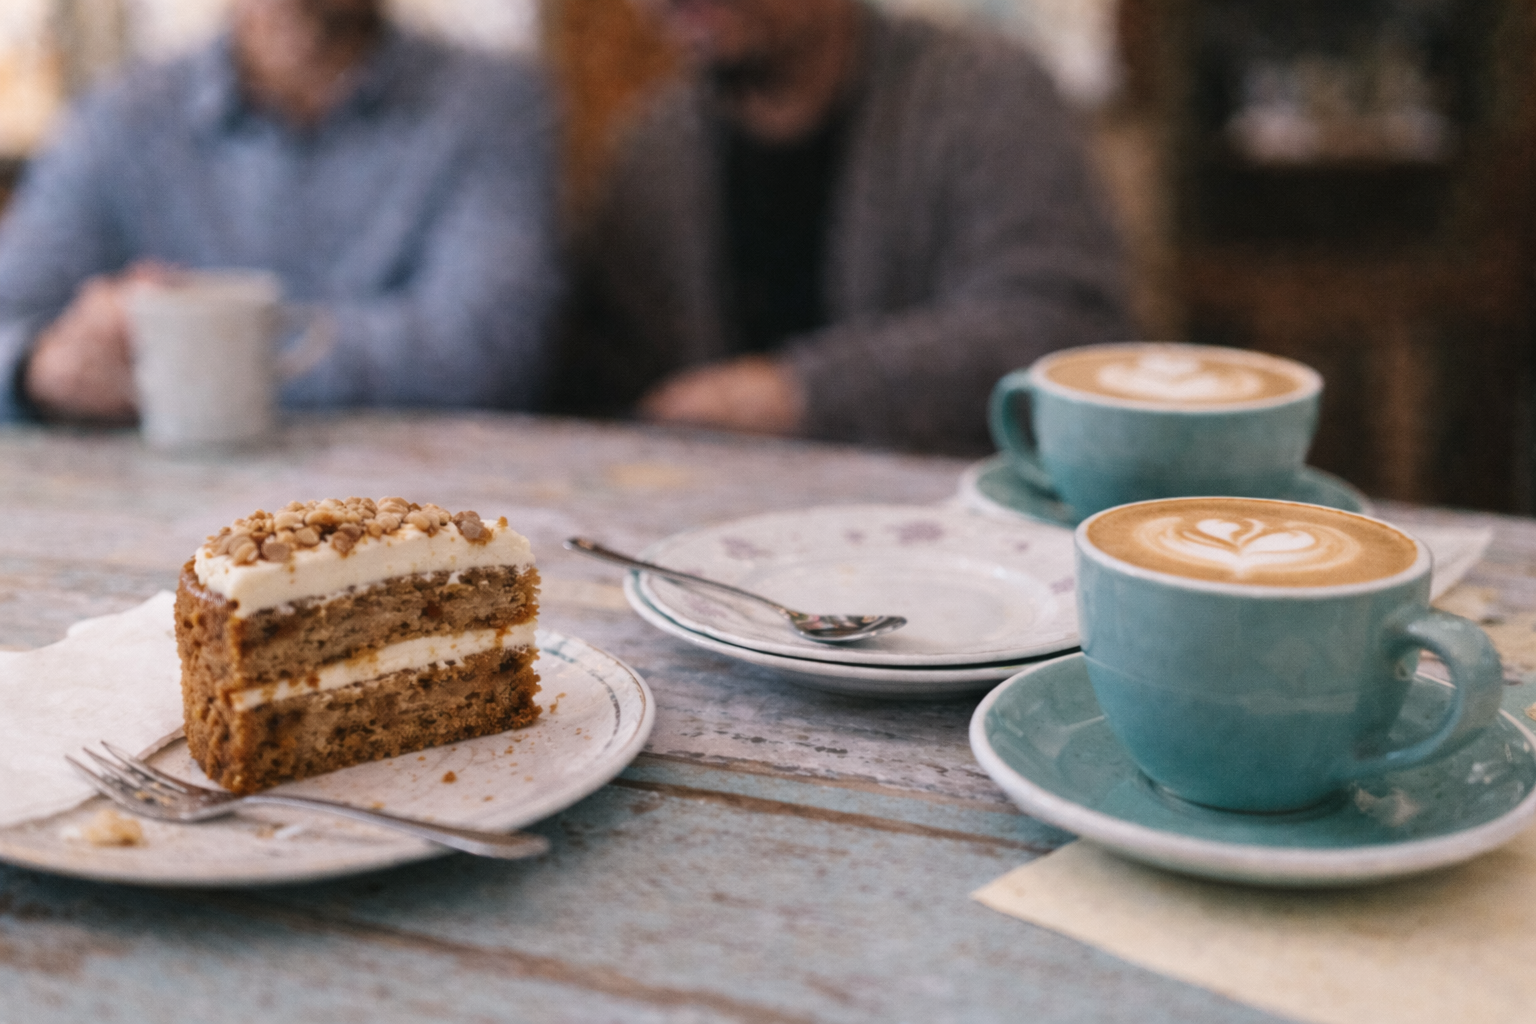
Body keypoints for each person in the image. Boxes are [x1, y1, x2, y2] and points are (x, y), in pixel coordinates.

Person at [554, 0, 1132, 452]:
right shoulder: (655, 146)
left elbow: (1062, 329)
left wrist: (801, 393)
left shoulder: (983, 90)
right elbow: (605, 379)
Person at [0, 0, 558, 424]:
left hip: (418, 504)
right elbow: (13, 310)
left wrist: (189, 350)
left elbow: (484, 349)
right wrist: (40, 366)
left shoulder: (491, 102)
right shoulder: (121, 115)